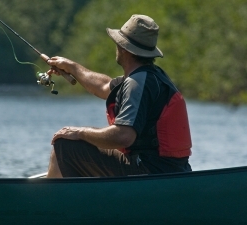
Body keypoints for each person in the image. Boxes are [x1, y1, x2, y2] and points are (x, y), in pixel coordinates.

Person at [45, 14, 192, 178]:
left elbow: (124, 136)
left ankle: (51, 201)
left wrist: (80, 133)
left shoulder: (136, 83)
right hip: (169, 171)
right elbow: (103, 86)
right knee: (79, 140)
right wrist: (71, 67)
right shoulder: (150, 77)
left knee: (64, 146)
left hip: (149, 172)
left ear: (124, 49)